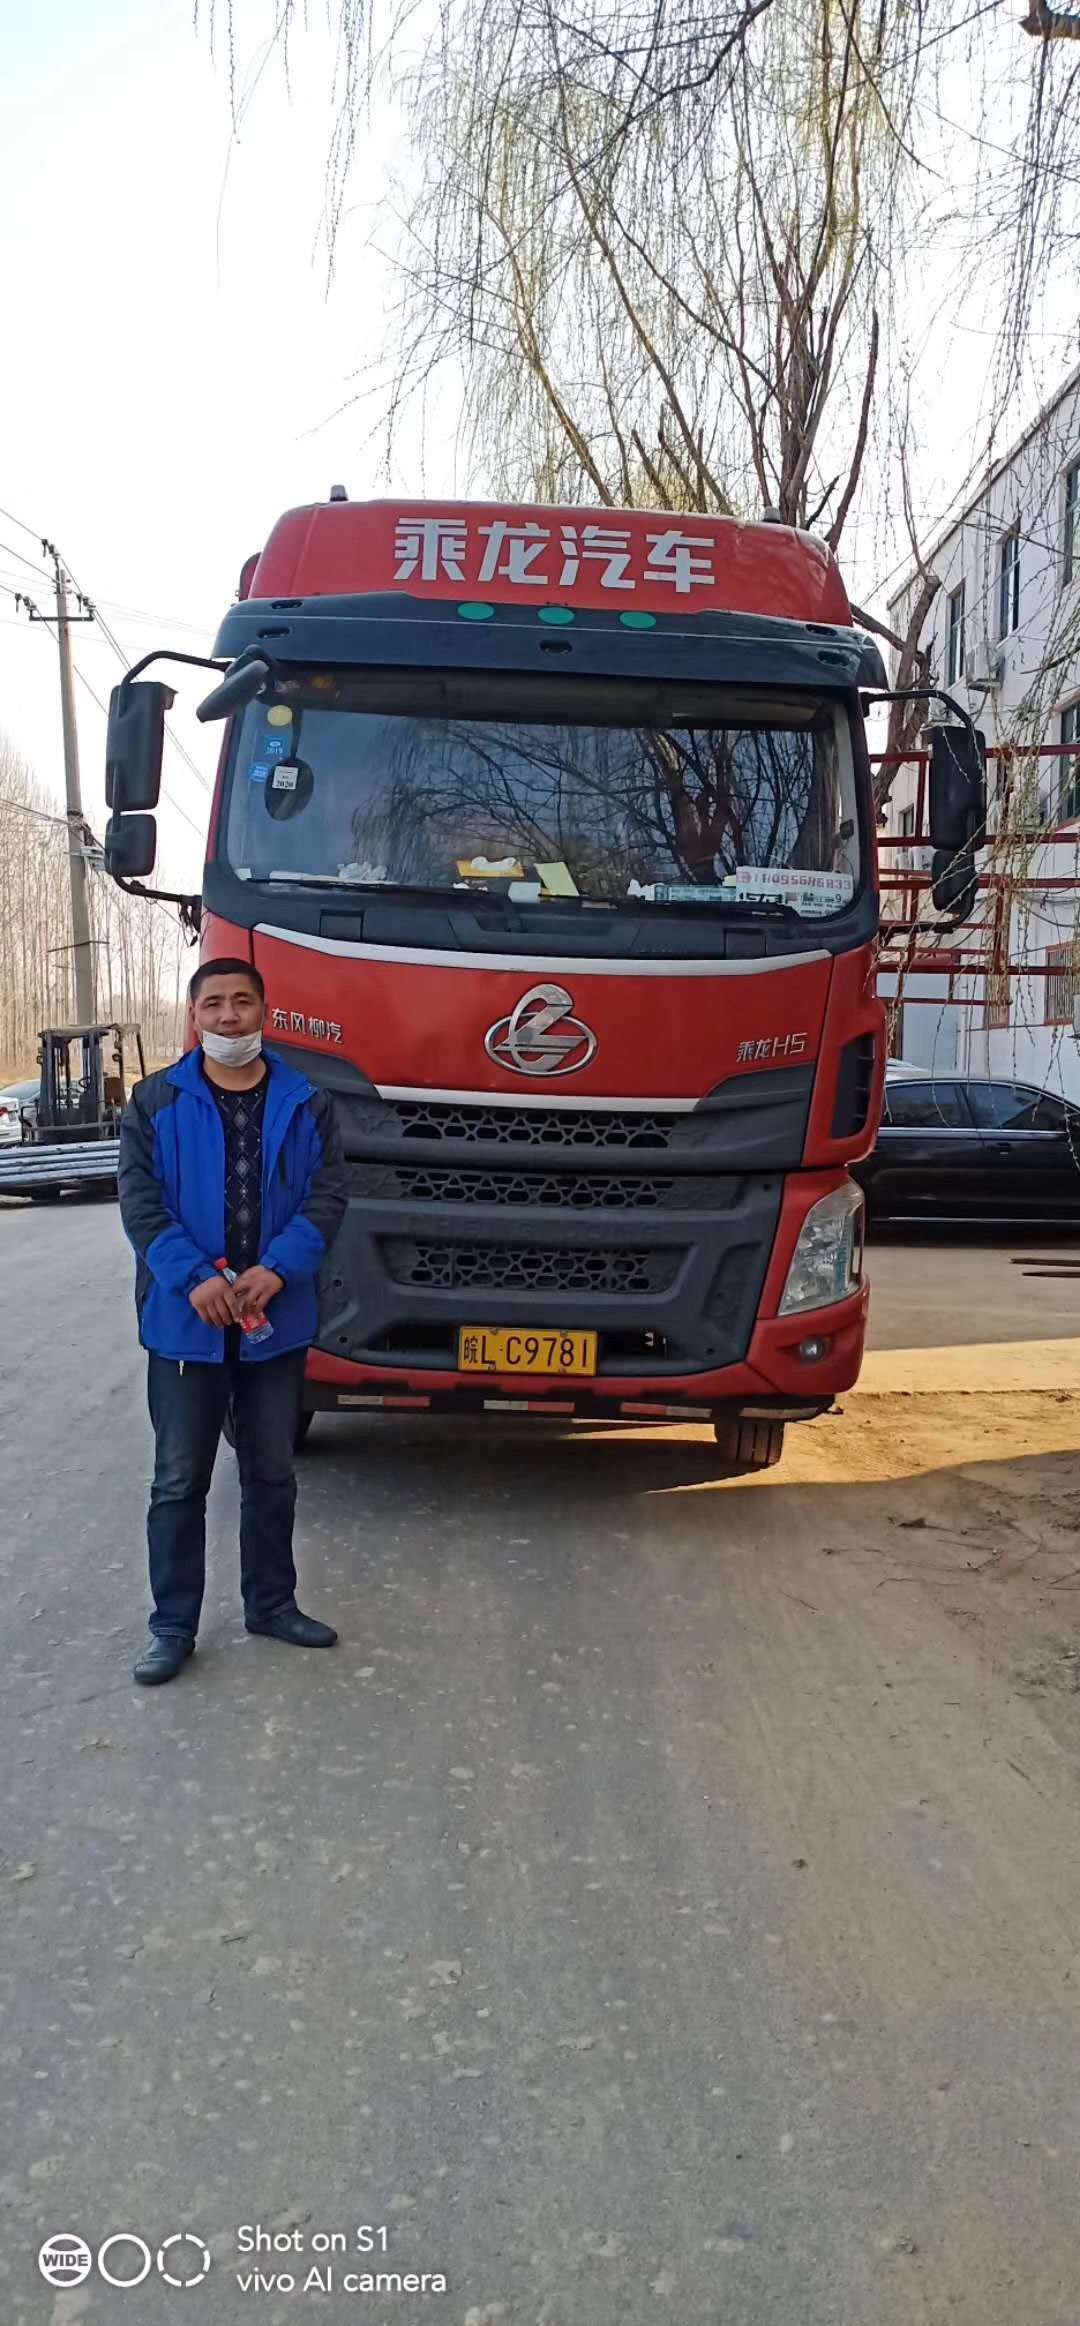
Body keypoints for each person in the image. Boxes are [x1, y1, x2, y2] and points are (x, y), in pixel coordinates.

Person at [118, 958, 348, 1685]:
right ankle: (172, 1626)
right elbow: (141, 1204)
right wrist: (195, 1279)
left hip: (272, 1320)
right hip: (185, 1324)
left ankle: (272, 1604)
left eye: (242, 1002)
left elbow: (327, 1196)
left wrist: (278, 1269)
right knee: (178, 1480)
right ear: (194, 1015)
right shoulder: (155, 1101)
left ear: (264, 1012)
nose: (227, 1016)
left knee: (271, 1472)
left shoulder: (306, 1102)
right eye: (213, 1003)